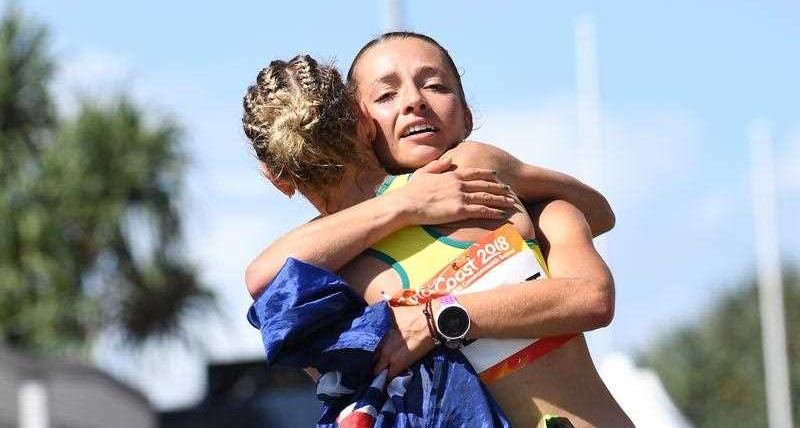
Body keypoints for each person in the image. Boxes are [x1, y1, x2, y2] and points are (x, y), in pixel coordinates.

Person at [244, 33, 633, 427]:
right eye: (385, 96)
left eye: (434, 85)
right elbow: (263, 276)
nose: (414, 101)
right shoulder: (333, 270)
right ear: (363, 123)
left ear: (276, 178)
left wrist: (437, 318)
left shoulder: (469, 171)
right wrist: (407, 204)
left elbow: (594, 245)